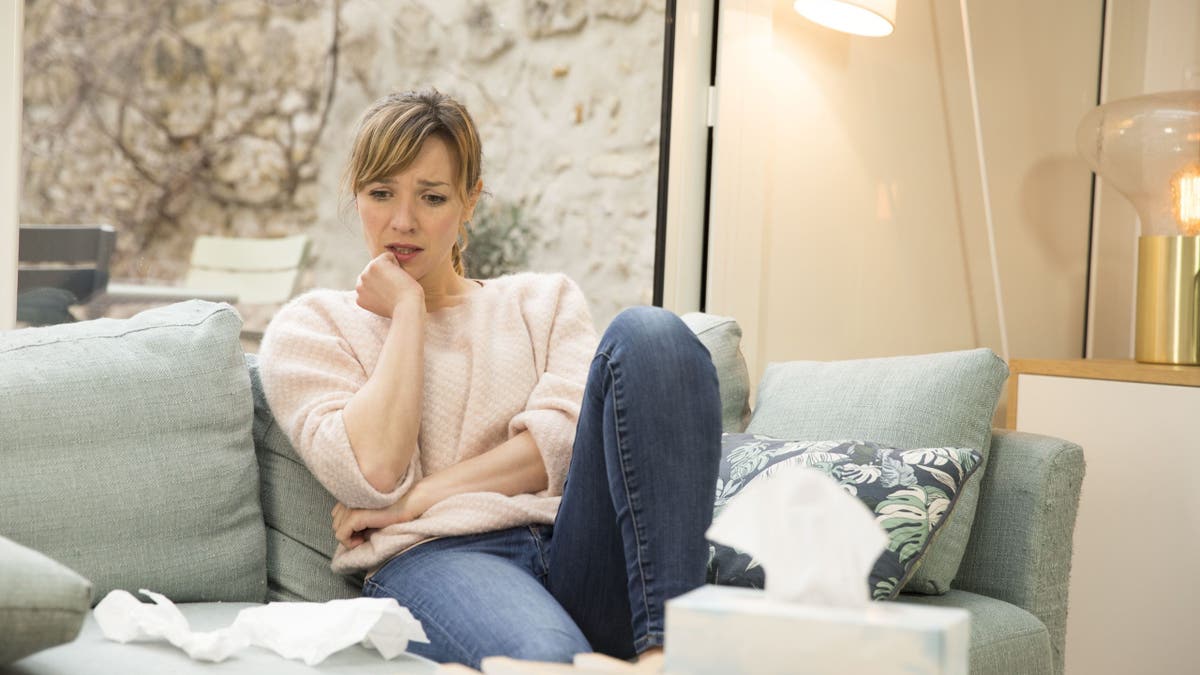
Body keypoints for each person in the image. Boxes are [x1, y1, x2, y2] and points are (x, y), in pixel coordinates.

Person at [258, 88, 721, 670]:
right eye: (381, 194)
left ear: (469, 201)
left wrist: (422, 496)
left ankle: (664, 656)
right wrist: (406, 312)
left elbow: (563, 445)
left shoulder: (542, 302)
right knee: (546, 658)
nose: (403, 221)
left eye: (431, 197)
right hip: (439, 558)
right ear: (357, 197)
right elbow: (374, 473)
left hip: (579, 546)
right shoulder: (314, 327)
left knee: (652, 335)